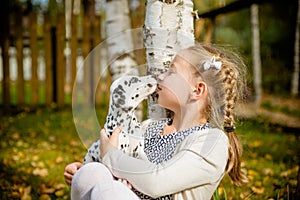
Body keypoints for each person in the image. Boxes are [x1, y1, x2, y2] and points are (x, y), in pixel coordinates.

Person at [64, 44, 248, 200]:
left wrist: (110, 155)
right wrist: (84, 169)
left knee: (110, 192)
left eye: (172, 72)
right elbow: (118, 168)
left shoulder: (211, 142)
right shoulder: (149, 127)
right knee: (89, 174)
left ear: (197, 90)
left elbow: (155, 181)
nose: (161, 76)